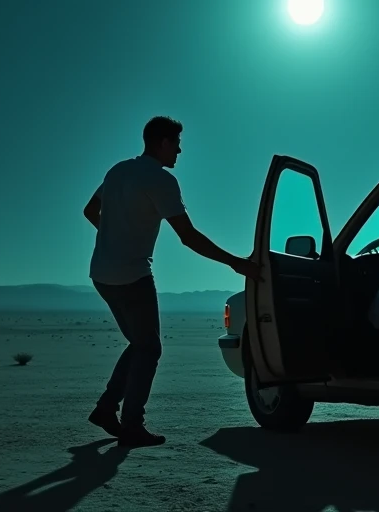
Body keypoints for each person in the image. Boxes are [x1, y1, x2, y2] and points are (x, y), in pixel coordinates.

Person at [82, 115, 262, 448]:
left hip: (102, 274)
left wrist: (113, 237)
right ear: (162, 142)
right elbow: (188, 237)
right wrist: (237, 263)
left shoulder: (118, 170)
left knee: (140, 343)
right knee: (149, 348)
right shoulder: (159, 180)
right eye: (176, 144)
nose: (179, 151)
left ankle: (107, 409)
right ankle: (131, 424)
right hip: (131, 276)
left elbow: (90, 211)